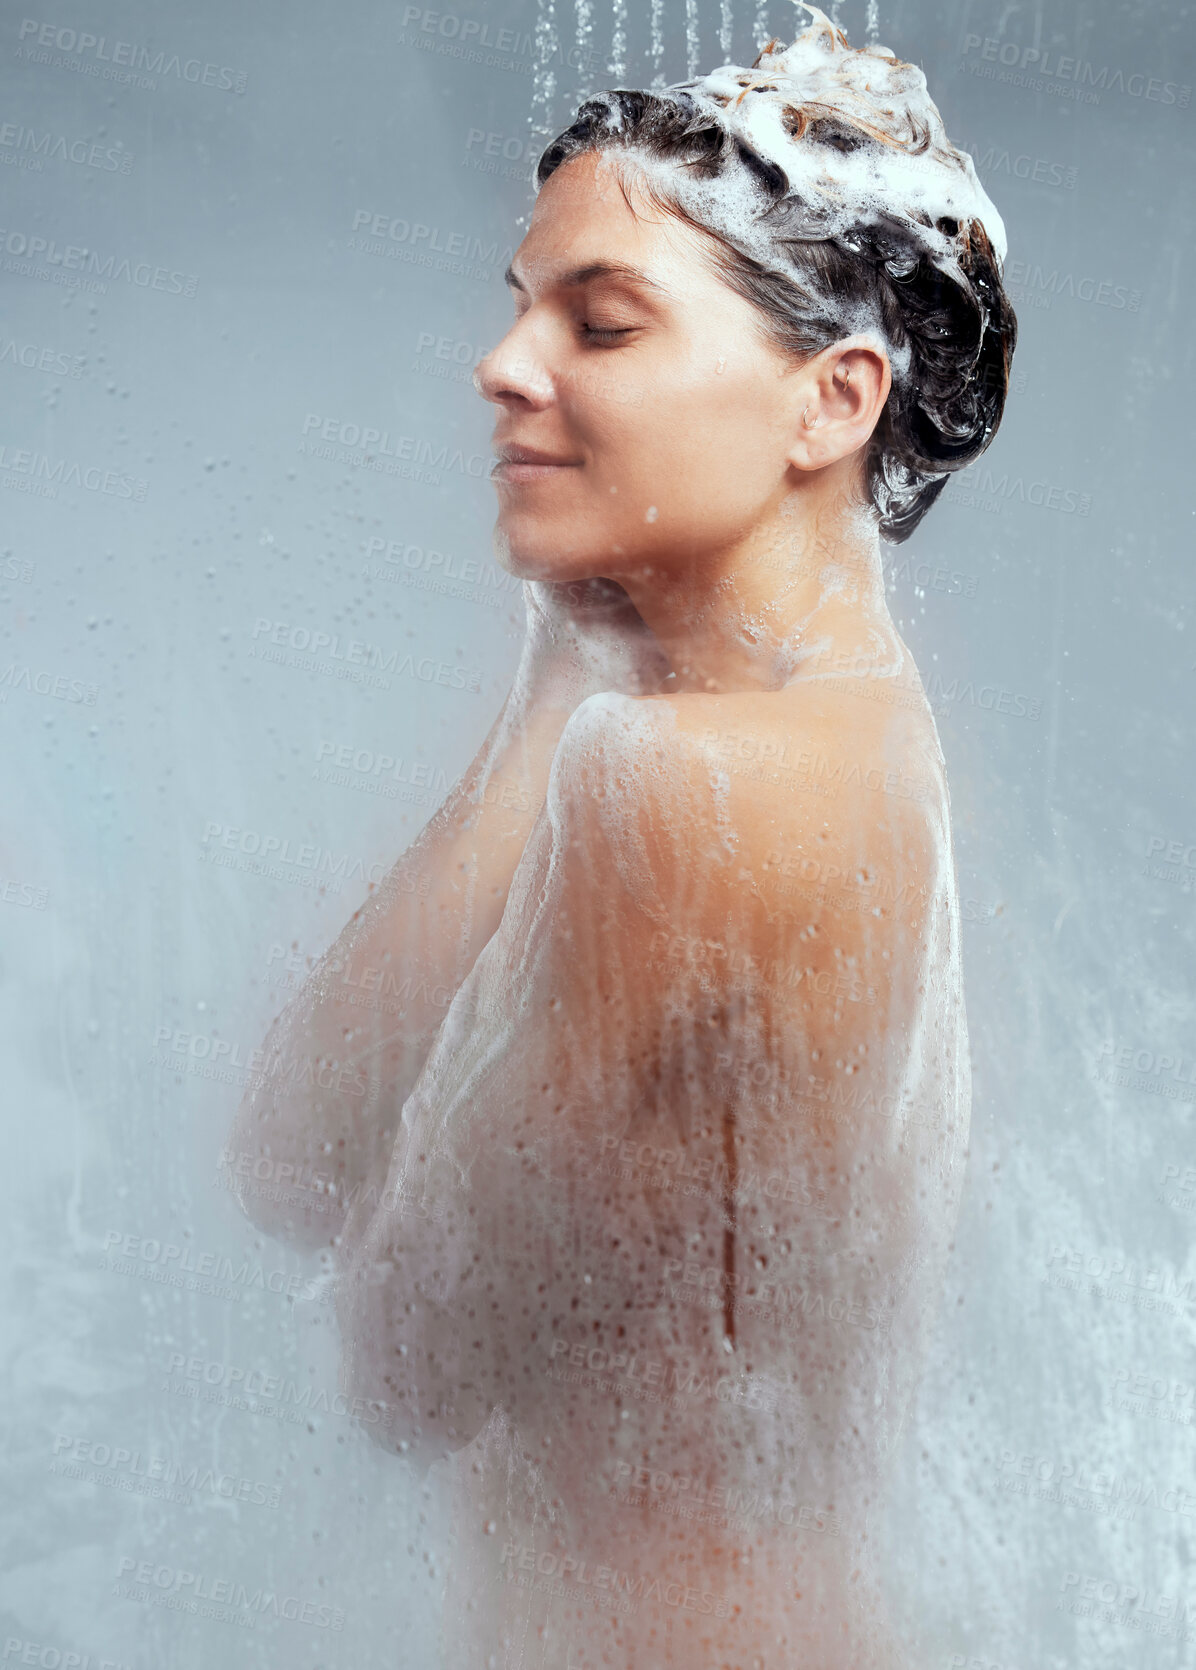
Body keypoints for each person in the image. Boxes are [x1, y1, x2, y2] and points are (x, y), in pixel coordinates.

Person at [228, 6, 1017, 1664]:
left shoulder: (685, 799)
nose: (505, 365)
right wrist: (558, 683)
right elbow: (290, 1159)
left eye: (603, 321)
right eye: (524, 310)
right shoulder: (848, 723)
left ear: (831, 400)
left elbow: (400, 1362)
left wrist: (559, 738)